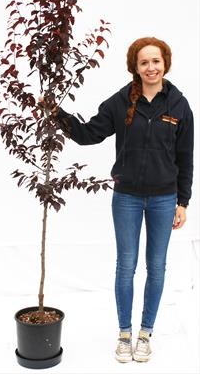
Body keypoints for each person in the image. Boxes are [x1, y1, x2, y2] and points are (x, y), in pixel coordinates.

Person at [45, 37, 194, 363]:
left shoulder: (179, 105)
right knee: (125, 266)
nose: (151, 67)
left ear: (165, 63)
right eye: (144, 63)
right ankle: (124, 334)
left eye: (156, 61)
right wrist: (56, 113)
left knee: (156, 267)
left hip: (164, 199)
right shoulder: (121, 101)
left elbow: (185, 158)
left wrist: (183, 202)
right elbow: (87, 134)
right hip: (126, 197)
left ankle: (145, 334)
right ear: (135, 67)